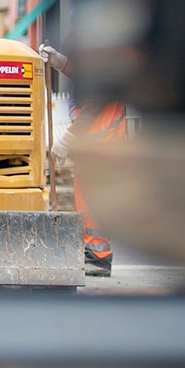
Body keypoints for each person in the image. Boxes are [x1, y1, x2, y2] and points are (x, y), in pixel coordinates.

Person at [39, 43, 128, 277]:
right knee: (86, 200)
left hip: (102, 146)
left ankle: (98, 257)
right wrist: (60, 62)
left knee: (93, 203)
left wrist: (69, 137)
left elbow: (95, 105)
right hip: (95, 146)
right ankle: (93, 252)